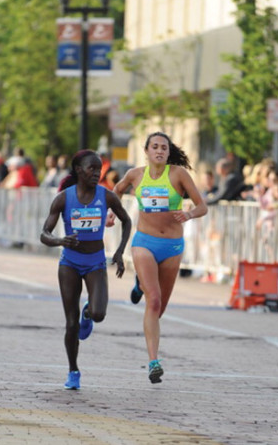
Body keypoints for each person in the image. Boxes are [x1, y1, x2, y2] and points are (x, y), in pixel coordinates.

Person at [110, 131, 208, 384]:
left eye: (164, 147)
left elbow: (202, 206)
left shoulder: (178, 174)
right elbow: (116, 191)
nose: (160, 150)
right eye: (155, 146)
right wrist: (112, 213)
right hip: (145, 242)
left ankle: (140, 284)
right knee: (153, 301)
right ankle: (154, 362)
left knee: (160, 308)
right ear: (146, 151)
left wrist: (189, 215)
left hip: (172, 246)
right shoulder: (135, 175)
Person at [40, 150, 132, 390]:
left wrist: (121, 252)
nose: (96, 173)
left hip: (95, 262)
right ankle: (73, 371)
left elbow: (127, 220)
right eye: (92, 168)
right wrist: (61, 241)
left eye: (99, 169)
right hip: (69, 263)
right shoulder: (63, 198)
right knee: (71, 324)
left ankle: (89, 313)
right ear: (79, 170)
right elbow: (44, 234)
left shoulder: (107, 196)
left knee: (99, 313)